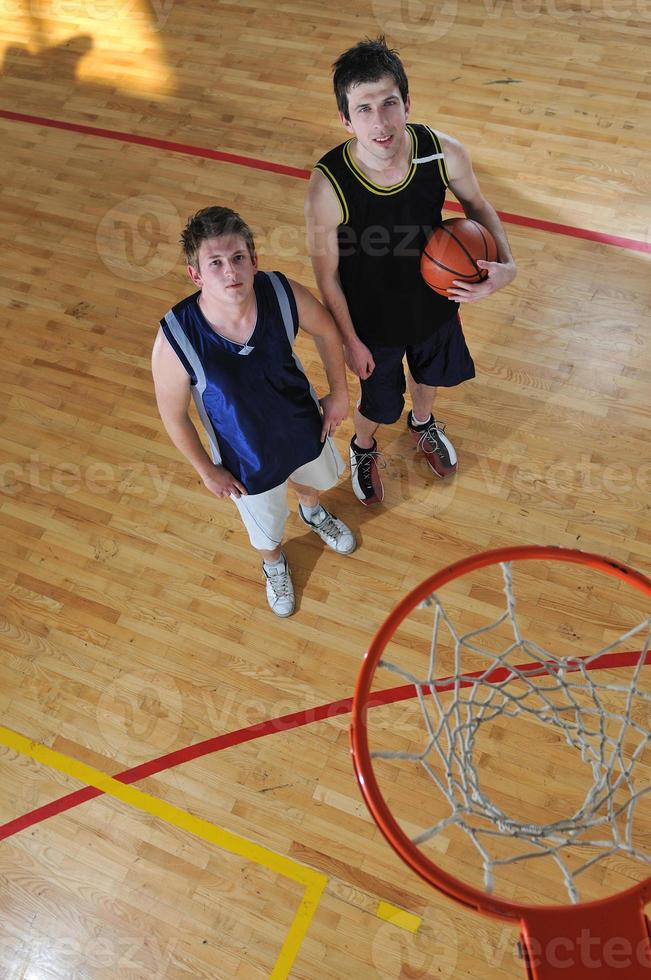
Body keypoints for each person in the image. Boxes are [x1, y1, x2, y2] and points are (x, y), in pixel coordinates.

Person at [305, 36, 517, 505]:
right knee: (378, 402)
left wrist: (507, 264)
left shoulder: (441, 151)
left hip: (436, 303)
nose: (379, 122)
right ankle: (363, 447)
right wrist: (349, 340)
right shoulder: (329, 185)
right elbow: (326, 278)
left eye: (389, 103)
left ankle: (422, 424)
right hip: (371, 322)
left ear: (407, 103)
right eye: (363, 109)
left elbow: (477, 203)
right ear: (344, 119)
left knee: (430, 378)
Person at [152, 206, 356, 618]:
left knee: (311, 482)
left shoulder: (280, 292)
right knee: (265, 529)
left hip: (303, 427)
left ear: (254, 260)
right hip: (245, 459)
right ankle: (274, 564)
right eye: (215, 263)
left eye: (238, 258)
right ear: (196, 275)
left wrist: (338, 392)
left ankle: (313, 513)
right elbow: (173, 416)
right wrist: (207, 470)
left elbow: (327, 330)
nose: (230, 271)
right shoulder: (175, 338)